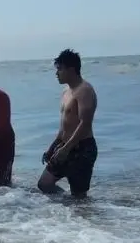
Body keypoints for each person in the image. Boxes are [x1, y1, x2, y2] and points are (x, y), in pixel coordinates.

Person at [38, 49, 98, 197]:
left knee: (79, 196)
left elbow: (85, 124)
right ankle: (66, 210)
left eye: (59, 69)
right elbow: (64, 125)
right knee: (44, 184)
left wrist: (66, 149)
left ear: (71, 70)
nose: (56, 73)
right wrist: (53, 147)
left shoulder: (85, 91)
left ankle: (80, 216)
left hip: (82, 148)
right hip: (64, 146)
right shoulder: (66, 92)